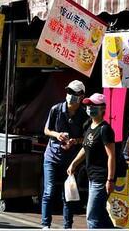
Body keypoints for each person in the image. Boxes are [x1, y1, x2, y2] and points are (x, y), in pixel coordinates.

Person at [41, 80, 89, 229]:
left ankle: (67, 226)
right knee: (49, 191)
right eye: (69, 92)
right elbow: (46, 130)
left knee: (68, 194)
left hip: (70, 159)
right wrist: (57, 135)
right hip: (51, 156)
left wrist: (75, 141)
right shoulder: (56, 109)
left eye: (74, 93)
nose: (70, 96)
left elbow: (86, 138)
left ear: (81, 96)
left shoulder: (83, 115)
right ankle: (45, 224)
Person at [68, 93, 116, 229]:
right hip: (92, 177)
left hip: (101, 179)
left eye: (93, 105)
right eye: (88, 105)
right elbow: (85, 148)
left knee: (92, 216)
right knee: (100, 213)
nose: (89, 108)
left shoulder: (105, 129)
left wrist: (110, 179)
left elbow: (111, 156)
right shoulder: (90, 126)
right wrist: (74, 163)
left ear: (102, 108)